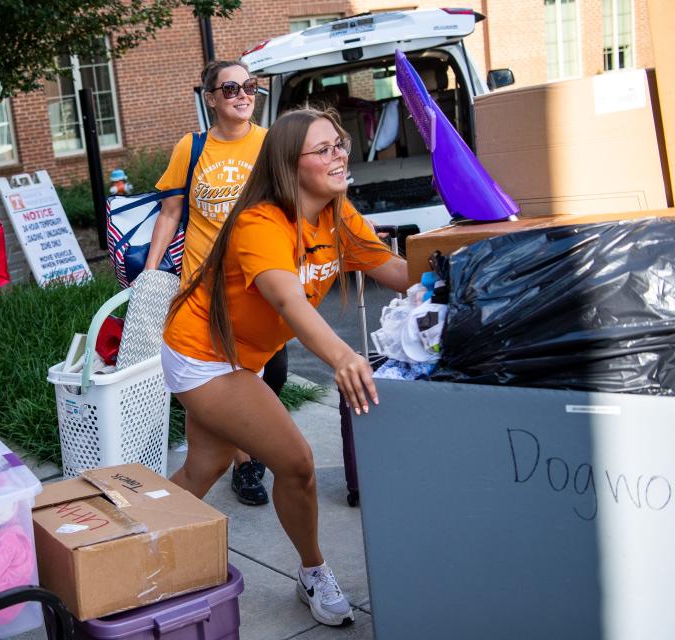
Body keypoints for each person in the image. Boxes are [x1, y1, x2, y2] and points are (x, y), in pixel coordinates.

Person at [161, 107, 409, 626]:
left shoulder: (338, 216)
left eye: (339, 144)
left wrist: (468, 259)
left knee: (205, 468)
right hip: (201, 355)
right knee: (295, 462)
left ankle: (138, 547)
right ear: (289, 165)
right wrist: (341, 356)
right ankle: (313, 571)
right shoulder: (261, 222)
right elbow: (288, 299)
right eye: (324, 149)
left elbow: (396, 270)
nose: (340, 154)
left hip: (237, 356)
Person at [146, 59, 276, 505]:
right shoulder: (193, 147)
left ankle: (226, 457)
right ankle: (243, 465)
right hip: (202, 290)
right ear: (211, 99)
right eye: (231, 89)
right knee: (219, 380)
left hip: (257, 286)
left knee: (259, 375)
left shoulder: (271, 144)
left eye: (250, 87)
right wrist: (150, 272)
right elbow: (170, 213)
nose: (242, 95)